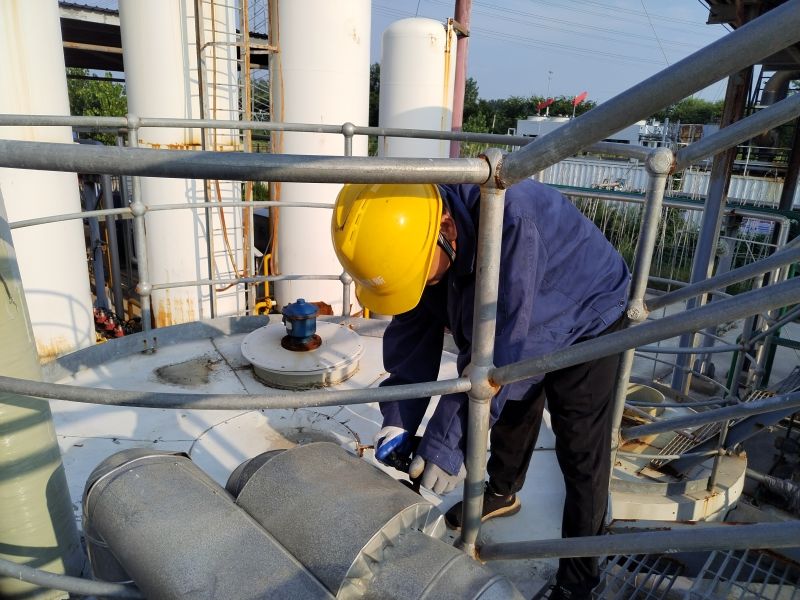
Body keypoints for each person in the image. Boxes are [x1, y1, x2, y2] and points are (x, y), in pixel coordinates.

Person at [331, 179, 630, 600]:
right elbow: (415, 328)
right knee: (513, 410)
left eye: (420, 279)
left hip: (586, 312)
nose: (423, 287)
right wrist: (398, 420)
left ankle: (578, 581)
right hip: (523, 315)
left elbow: (500, 354)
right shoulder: (415, 232)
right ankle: (503, 492)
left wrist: (445, 445)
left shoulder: (512, 224)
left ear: (447, 227)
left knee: (581, 450)